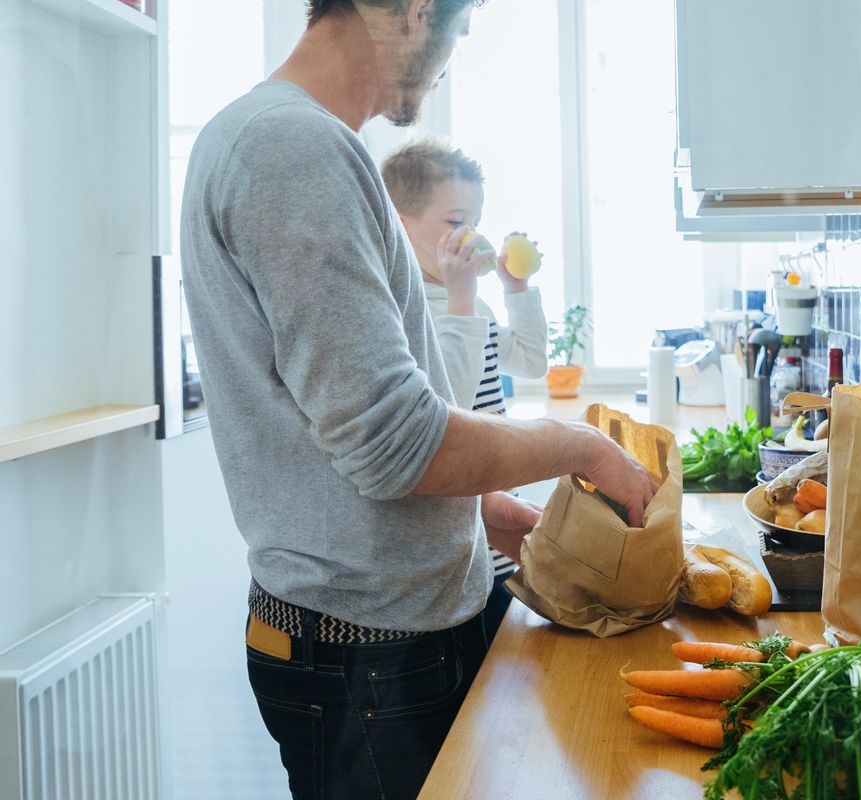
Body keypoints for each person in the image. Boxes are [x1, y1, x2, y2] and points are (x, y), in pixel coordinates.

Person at [178, 1, 657, 798]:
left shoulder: (299, 144)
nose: (452, 57)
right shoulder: (291, 149)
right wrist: (583, 445)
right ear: (409, 10)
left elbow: (341, 435)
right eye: (457, 30)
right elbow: (397, 444)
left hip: (384, 638)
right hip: (369, 654)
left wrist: (486, 519)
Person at [381, 139, 548, 643]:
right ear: (400, 223)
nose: (471, 235)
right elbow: (441, 402)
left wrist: (514, 289)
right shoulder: (406, 311)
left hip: (496, 526)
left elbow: (533, 361)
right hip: (460, 529)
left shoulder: (472, 306)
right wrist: (461, 297)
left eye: (474, 220)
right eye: (455, 221)